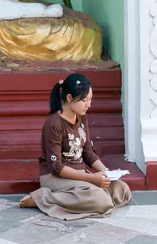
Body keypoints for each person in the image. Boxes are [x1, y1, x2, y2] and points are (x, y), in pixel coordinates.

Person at [19, 73, 132, 219]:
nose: (88, 104)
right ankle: (43, 198)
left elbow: (88, 152)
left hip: (79, 175)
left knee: (122, 189)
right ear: (69, 98)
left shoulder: (82, 117)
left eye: (90, 99)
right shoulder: (54, 124)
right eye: (84, 100)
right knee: (101, 199)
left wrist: (106, 172)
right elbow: (56, 167)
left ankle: (86, 198)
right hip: (54, 176)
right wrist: (90, 179)